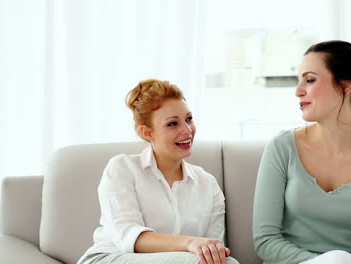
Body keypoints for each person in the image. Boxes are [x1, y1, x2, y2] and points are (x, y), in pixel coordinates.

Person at [253, 40, 351, 264]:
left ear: (346, 86)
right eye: (299, 81)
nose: (298, 91)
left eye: (309, 80)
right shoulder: (282, 148)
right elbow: (266, 240)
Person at [78, 79, 239, 264]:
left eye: (189, 119)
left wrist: (204, 249)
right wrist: (190, 243)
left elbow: (211, 250)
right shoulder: (122, 168)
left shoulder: (207, 184)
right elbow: (129, 236)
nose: (187, 130)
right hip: (111, 258)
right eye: (172, 124)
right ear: (147, 133)